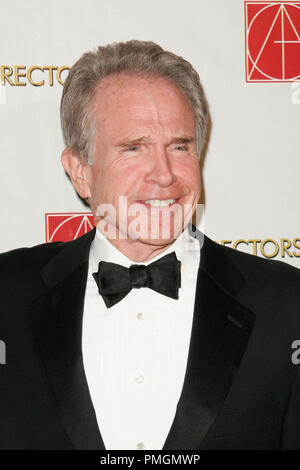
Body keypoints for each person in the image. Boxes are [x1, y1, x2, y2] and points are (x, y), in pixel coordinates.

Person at [0, 40, 299, 451]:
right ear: (80, 171)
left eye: (179, 146)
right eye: (133, 148)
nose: (164, 174)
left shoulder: (285, 304)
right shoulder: (7, 296)